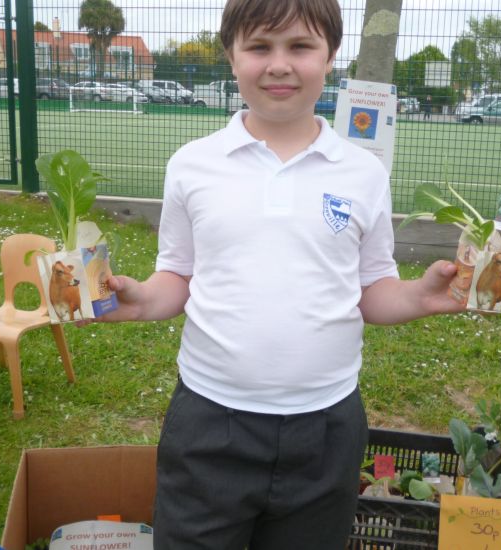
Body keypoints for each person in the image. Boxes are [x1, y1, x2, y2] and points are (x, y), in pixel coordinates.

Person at [84, 0, 465, 547]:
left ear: (331, 56)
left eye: (301, 47)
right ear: (231, 58)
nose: (279, 65)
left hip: (326, 427)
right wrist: (139, 299)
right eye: (260, 47)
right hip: (210, 422)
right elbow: (177, 275)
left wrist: (422, 297)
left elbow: (372, 291)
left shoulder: (362, 173)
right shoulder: (194, 164)